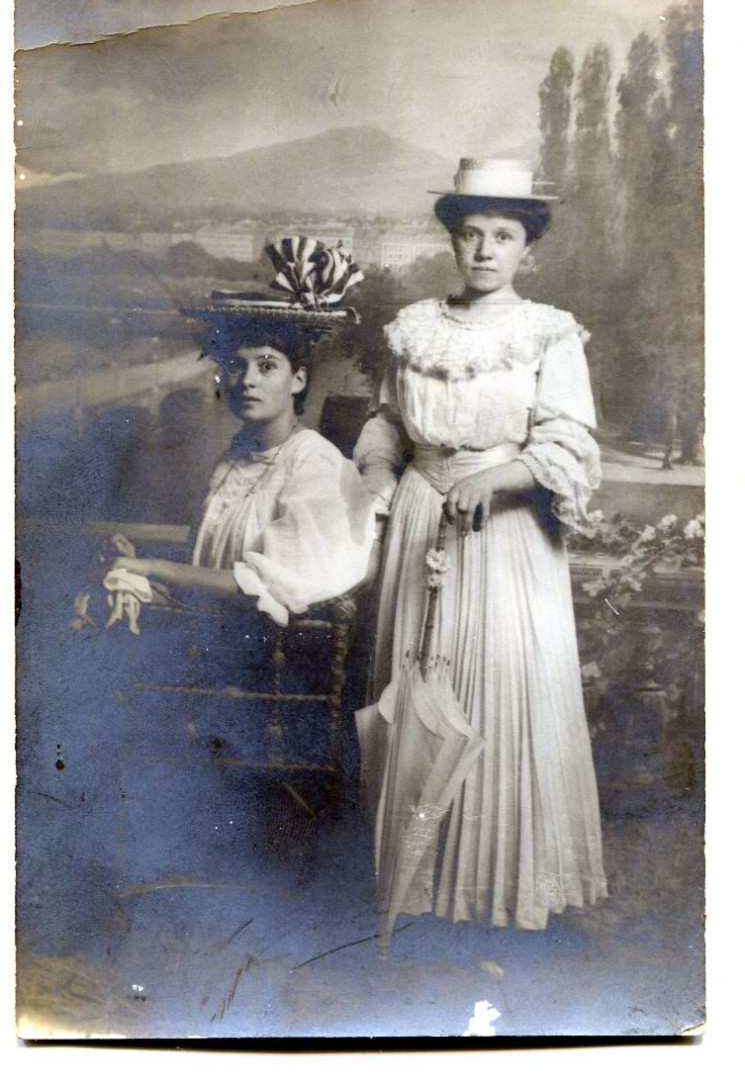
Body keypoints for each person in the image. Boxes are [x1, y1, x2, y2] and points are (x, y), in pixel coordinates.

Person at [354, 159, 608, 939]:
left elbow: (568, 443)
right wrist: (375, 471)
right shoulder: (416, 328)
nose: (485, 250)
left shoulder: (546, 332)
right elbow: (387, 424)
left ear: (526, 248)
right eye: (470, 234)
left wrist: (500, 474)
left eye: (503, 235)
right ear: (452, 241)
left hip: (504, 537)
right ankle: (414, 886)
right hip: (422, 520)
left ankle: (491, 888)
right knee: (416, 690)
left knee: (498, 690)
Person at [109, 311, 374, 626]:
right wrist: (138, 559)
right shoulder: (237, 455)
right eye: (237, 366)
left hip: (273, 653)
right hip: (213, 633)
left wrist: (154, 567)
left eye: (267, 366)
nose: (248, 380)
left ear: (298, 380)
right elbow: (216, 556)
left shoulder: (314, 462)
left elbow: (267, 584)